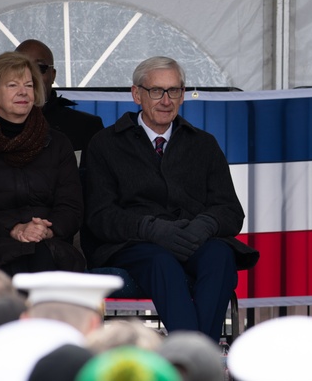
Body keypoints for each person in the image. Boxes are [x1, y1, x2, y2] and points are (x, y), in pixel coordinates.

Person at [82, 56, 258, 341]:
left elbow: (230, 210)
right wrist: (149, 228)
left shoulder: (203, 144)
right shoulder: (105, 144)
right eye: (156, 91)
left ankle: (196, 358)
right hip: (134, 245)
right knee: (161, 262)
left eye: (174, 91)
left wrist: (205, 225)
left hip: (194, 240)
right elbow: (99, 216)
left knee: (220, 256)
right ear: (136, 94)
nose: (166, 100)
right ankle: (198, 358)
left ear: (183, 95)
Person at [0, 52, 85, 274]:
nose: (23, 92)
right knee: (22, 259)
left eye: (29, 85)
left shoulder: (58, 143)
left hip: (49, 243)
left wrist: (45, 231)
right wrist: (14, 229)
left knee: (41, 253)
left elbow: (71, 207)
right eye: (13, 85)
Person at [15, 39, 104, 157]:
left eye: (40, 68)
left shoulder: (87, 127)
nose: (31, 76)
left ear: (53, 75)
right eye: (21, 68)